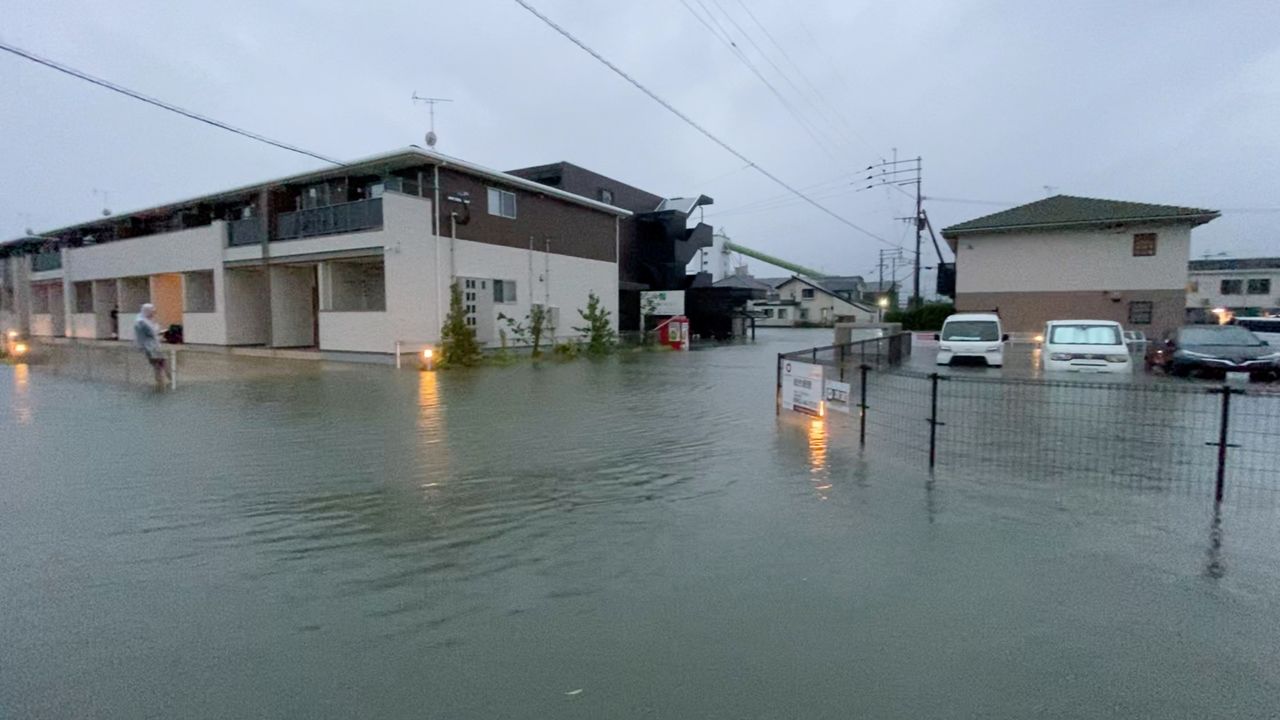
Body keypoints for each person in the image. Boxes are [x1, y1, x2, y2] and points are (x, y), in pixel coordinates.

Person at [133, 303, 170, 387]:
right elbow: (151, 333)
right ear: (147, 311)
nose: (154, 314)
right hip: (151, 348)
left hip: (151, 347)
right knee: (159, 365)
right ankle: (162, 383)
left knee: (160, 364)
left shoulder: (143, 320)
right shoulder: (142, 322)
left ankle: (164, 381)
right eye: (153, 312)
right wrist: (158, 328)